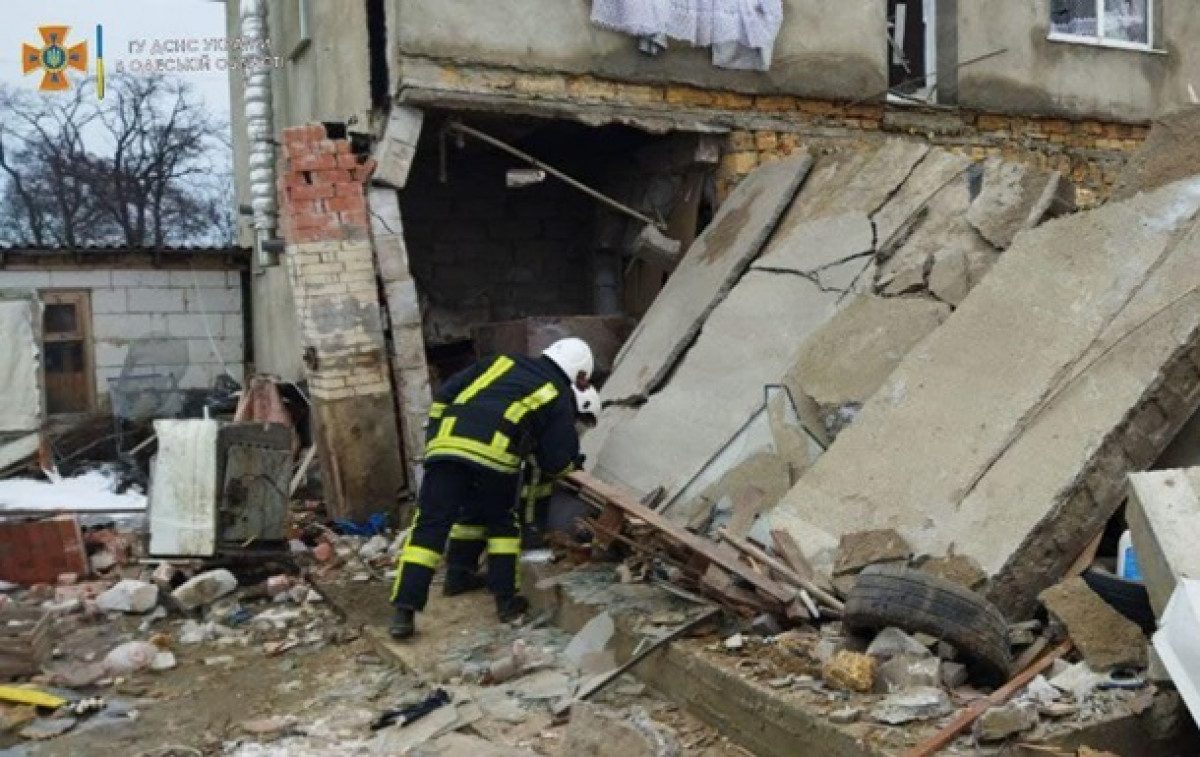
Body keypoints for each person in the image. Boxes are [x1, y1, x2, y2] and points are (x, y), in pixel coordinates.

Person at [389, 338, 595, 640]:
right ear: (578, 372)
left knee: (430, 526)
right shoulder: (557, 393)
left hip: (446, 447)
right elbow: (555, 460)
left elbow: (445, 394)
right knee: (502, 525)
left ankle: (407, 610)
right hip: (494, 456)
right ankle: (506, 602)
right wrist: (572, 465)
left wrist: (437, 436)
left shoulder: (502, 361)